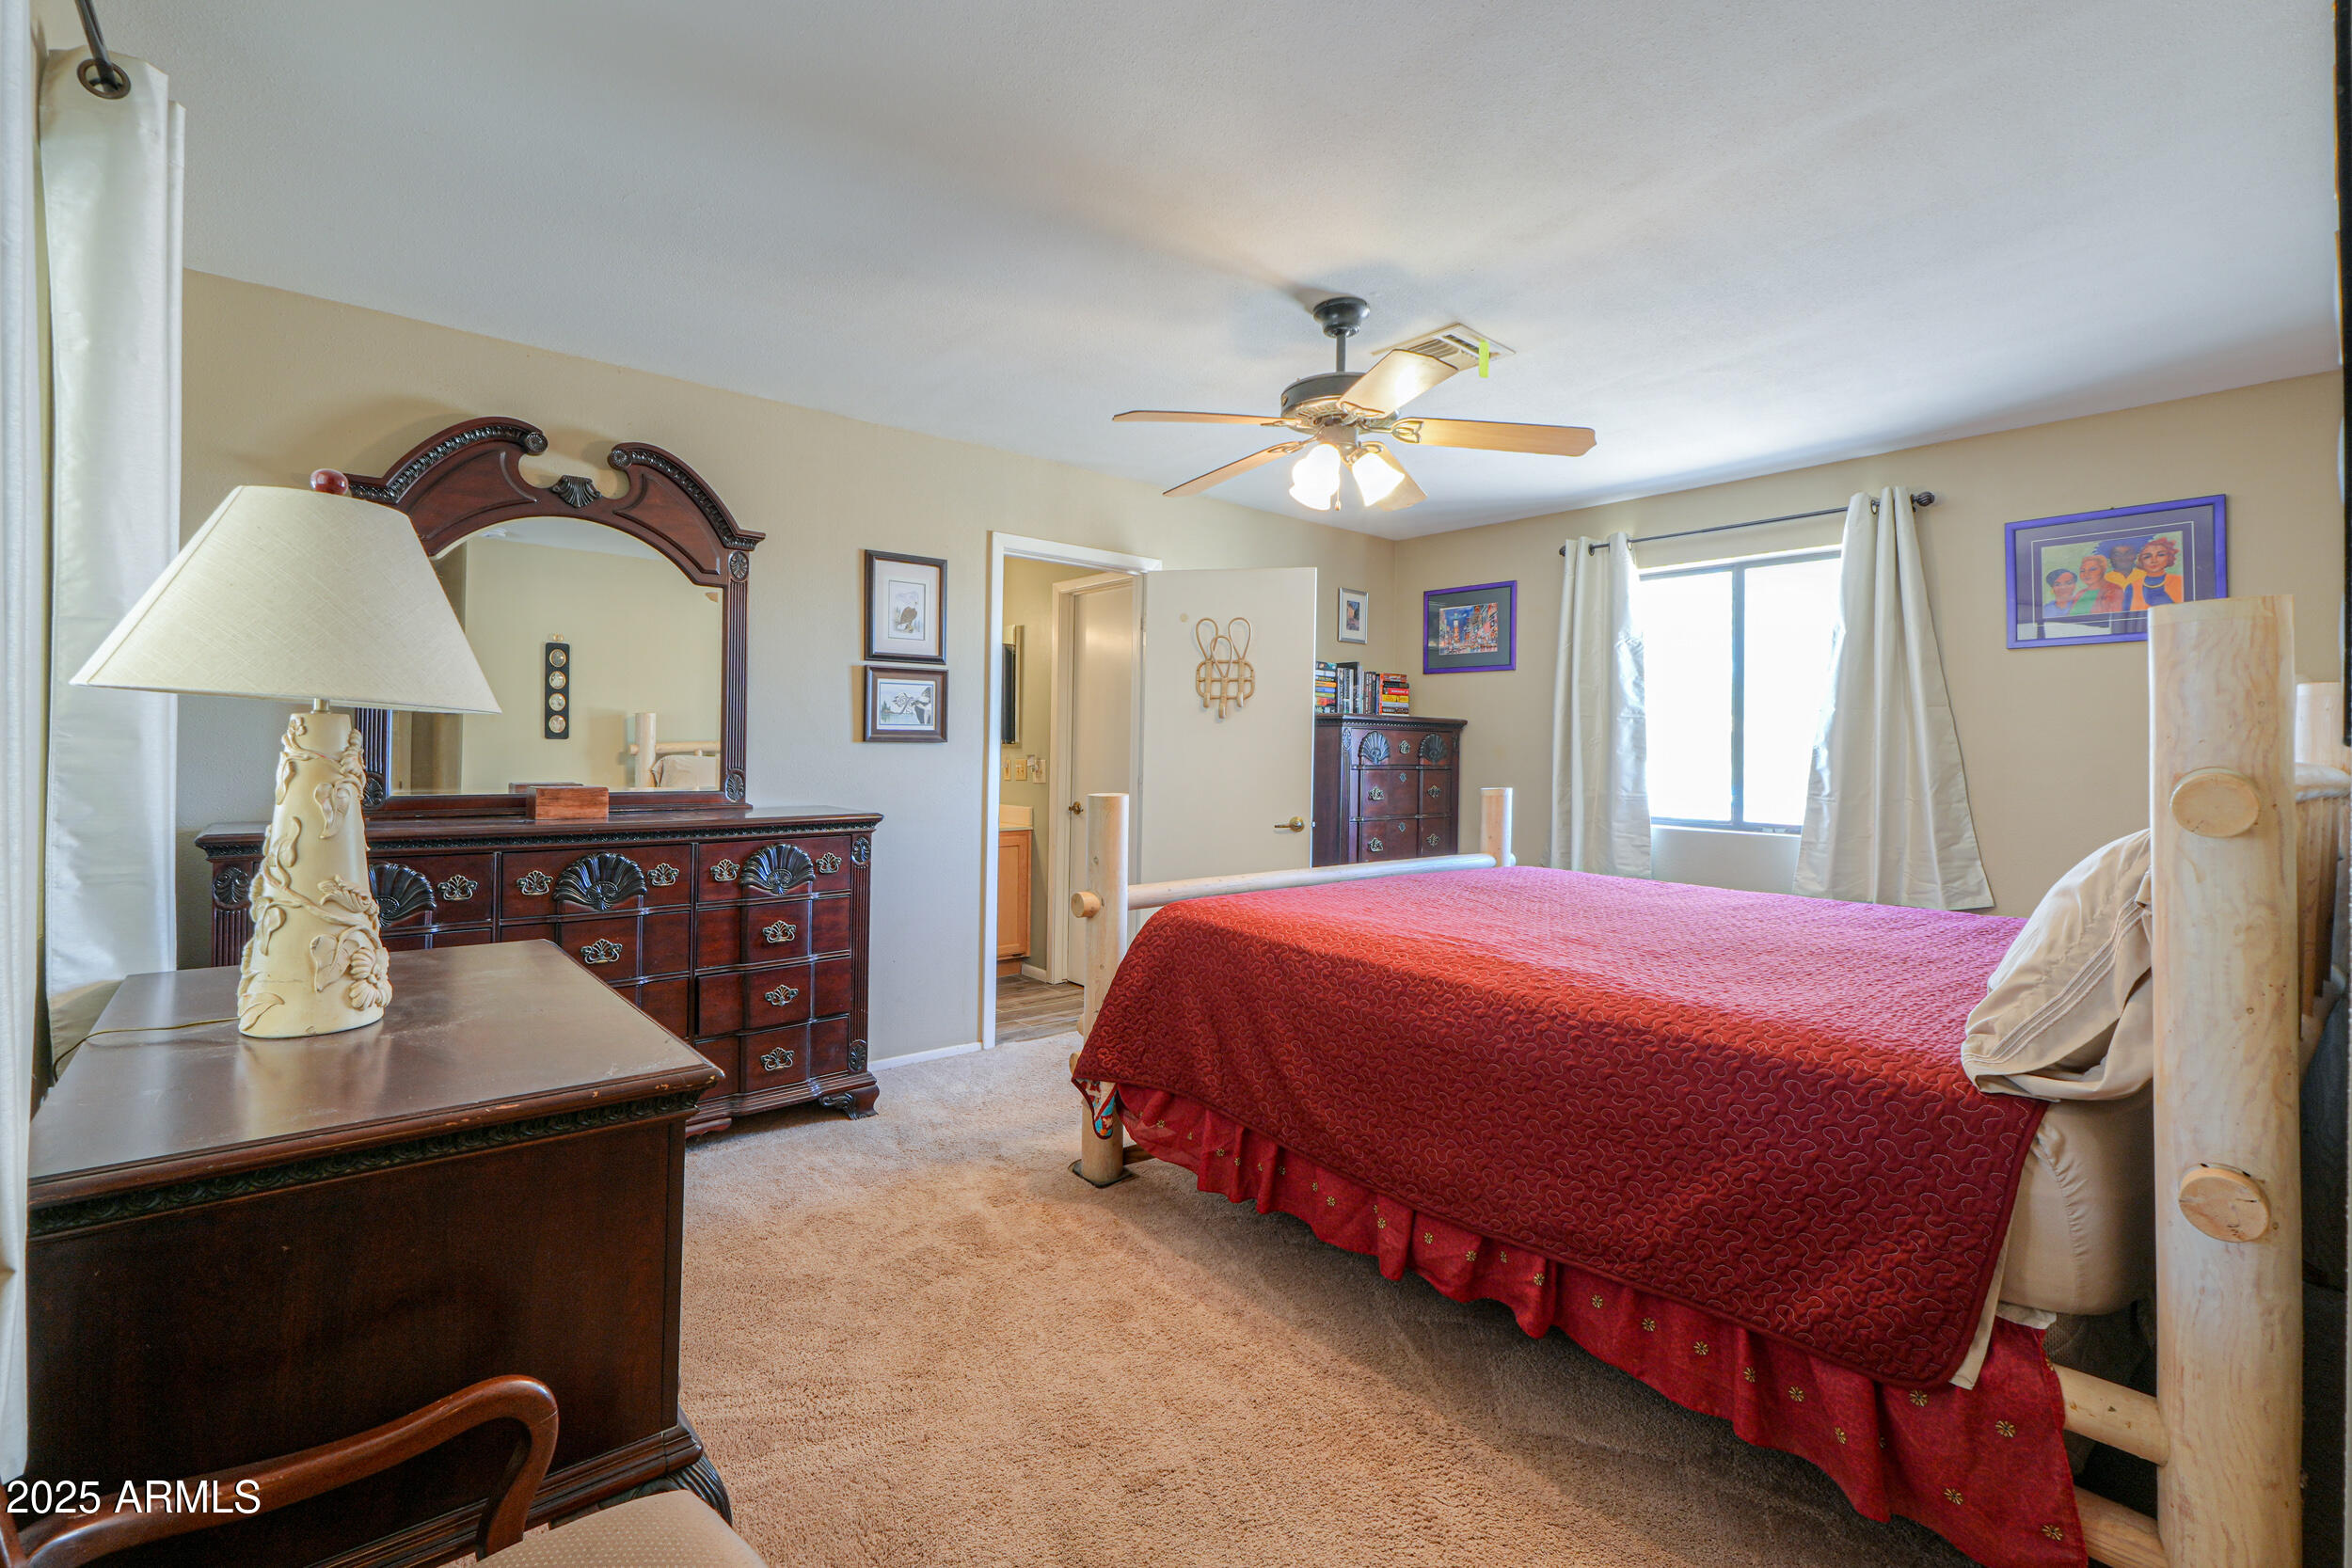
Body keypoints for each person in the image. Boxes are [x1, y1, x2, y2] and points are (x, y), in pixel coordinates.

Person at [2074, 550, 2123, 614]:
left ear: (2103, 570)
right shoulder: (2080, 594)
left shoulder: (2114, 590)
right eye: (2082, 571)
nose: (2086, 574)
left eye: (2092, 569)